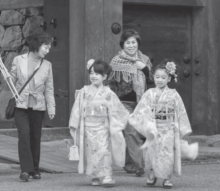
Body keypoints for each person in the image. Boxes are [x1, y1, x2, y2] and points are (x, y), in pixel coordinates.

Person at [129, 60, 194, 189]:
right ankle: (151, 175)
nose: (160, 80)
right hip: (153, 129)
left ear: (169, 78)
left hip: (168, 128)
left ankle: (166, 178)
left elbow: (180, 111)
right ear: (153, 77)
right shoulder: (149, 94)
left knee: (167, 154)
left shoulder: (174, 95)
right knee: (151, 153)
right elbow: (141, 110)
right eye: (157, 77)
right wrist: (144, 122)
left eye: (163, 77)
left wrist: (183, 130)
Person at [69, 59, 128, 187]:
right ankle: (94, 175)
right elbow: (77, 109)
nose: (93, 76)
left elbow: (118, 109)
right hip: (88, 128)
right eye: (91, 73)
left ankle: (107, 176)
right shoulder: (84, 91)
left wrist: (116, 123)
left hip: (103, 128)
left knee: (104, 151)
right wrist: (75, 124)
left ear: (105, 76)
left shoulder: (108, 93)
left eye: (97, 74)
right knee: (91, 153)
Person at [9, 32, 55, 182]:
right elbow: (11, 82)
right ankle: (25, 170)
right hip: (20, 103)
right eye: (46, 47)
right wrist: (8, 78)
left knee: (35, 137)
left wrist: (51, 107)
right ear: (37, 45)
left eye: (49, 48)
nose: (48, 51)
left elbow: (49, 88)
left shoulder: (47, 65)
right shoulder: (18, 60)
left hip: (38, 104)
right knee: (24, 135)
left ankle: (35, 169)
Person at [108, 29, 153, 176]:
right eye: (128, 43)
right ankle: (139, 166)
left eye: (134, 42)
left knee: (134, 133)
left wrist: (144, 68)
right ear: (123, 44)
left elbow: (152, 80)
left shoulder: (144, 59)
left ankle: (129, 165)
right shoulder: (116, 61)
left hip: (141, 102)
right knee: (131, 132)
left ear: (137, 43)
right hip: (124, 102)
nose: (131, 45)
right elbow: (111, 83)